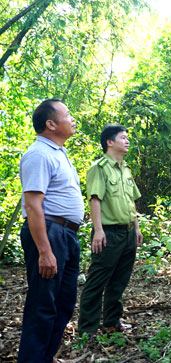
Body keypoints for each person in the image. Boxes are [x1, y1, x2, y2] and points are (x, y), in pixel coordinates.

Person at [18, 99, 85, 363]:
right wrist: (45, 251)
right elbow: (33, 205)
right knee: (43, 305)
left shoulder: (58, 153)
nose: (72, 119)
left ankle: (44, 357)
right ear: (51, 124)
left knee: (63, 303)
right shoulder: (39, 154)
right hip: (49, 232)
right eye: (67, 115)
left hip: (66, 235)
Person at [78, 125, 143, 335]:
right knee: (98, 279)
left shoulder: (125, 169)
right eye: (123, 137)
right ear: (109, 142)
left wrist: (137, 228)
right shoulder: (99, 167)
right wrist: (98, 230)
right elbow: (95, 199)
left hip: (128, 233)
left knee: (119, 280)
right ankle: (87, 328)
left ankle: (112, 323)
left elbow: (132, 202)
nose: (127, 141)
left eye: (127, 137)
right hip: (108, 232)